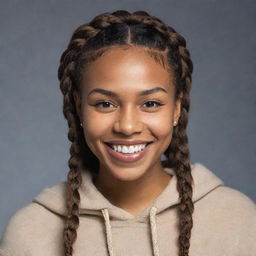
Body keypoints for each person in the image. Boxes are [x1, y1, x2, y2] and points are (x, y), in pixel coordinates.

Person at [0, 9, 255, 256]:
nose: (128, 126)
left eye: (151, 104)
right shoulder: (31, 232)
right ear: (79, 109)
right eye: (105, 104)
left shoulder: (237, 221)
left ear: (176, 109)